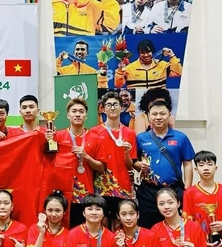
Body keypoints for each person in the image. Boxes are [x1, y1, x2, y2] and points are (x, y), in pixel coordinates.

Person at [133, 100, 195, 229]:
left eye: (162, 113)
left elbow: (188, 164)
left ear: (169, 115)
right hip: (148, 191)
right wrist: (139, 164)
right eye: (154, 114)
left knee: (174, 227)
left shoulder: (180, 137)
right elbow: (134, 162)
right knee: (147, 228)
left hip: (174, 190)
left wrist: (187, 191)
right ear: (149, 116)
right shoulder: (141, 138)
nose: (158, 117)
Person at [54, 97, 107, 228]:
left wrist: (86, 156)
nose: (77, 114)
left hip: (86, 195)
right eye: (74, 111)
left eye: (81, 111)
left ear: (86, 115)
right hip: (63, 193)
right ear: (68, 115)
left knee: (83, 231)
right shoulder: (58, 136)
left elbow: (101, 168)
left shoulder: (96, 139)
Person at [90, 92, 137, 230]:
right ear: (103, 109)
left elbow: (130, 165)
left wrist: (127, 153)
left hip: (122, 184)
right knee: (101, 221)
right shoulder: (94, 132)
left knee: (119, 223)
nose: (112, 107)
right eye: (108, 105)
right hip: (100, 184)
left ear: (122, 108)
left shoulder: (130, 133)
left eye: (116, 104)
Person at [183, 151, 222, 247]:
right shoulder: (189, 193)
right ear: (196, 169)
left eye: (210, 164)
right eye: (201, 165)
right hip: (199, 240)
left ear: (215, 168)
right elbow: (187, 222)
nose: (206, 168)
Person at [114, 39, 182, 89]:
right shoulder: (130, 68)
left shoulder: (162, 65)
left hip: (158, 103)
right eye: (143, 52)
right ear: (139, 53)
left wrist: (172, 56)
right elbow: (118, 85)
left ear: (152, 51)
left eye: (148, 52)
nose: (146, 55)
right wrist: (120, 70)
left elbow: (179, 73)